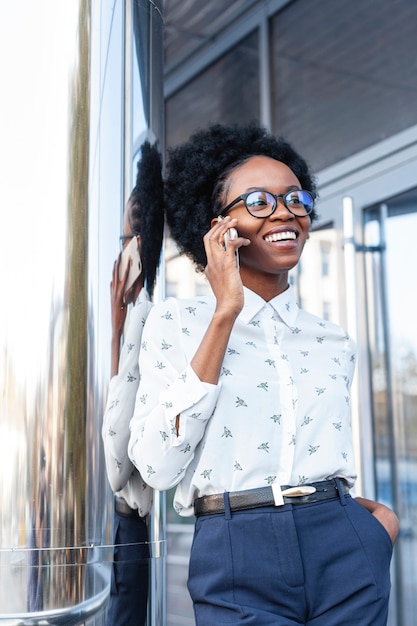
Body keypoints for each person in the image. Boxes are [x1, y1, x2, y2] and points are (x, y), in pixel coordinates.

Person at [128, 123, 399, 625]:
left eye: (295, 198)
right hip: (236, 547)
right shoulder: (178, 323)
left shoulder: (331, 340)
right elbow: (157, 466)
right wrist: (225, 312)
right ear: (217, 227)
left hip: (343, 544)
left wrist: (378, 528)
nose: (284, 213)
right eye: (258, 202)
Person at [102, 141, 164, 626]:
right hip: (122, 526)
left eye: (124, 238)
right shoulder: (132, 318)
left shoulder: (144, 320)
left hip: (126, 525)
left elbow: (117, 466)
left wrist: (115, 328)